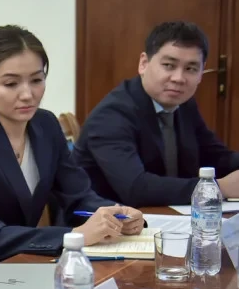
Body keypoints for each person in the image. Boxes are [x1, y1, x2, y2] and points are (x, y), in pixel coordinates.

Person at [0, 25, 144, 288]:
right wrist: (74, 235)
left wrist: (115, 215)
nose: (27, 94)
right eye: (11, 83)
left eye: (37, 80)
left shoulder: (46, 125)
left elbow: (78, 198)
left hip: (20, 266)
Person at [73, 21, 239, 206]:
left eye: (190, 69)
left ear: (201, 73)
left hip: (165, 214)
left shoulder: (184, 104)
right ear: (144, 64)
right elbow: (136, 188)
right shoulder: (110, 116)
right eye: (169, 65)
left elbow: (215, 156)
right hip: (107, 218)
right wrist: (218, 188)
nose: (178, 78)